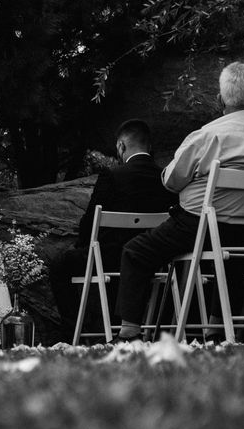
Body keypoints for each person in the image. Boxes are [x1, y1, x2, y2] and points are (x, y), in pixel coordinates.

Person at [114, 62, 244, 342]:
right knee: (235, 262)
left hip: (202, 227)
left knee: (137, 251)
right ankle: (218, 331)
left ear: (220, 100)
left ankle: (129, 333)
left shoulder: (207, 136)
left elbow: (171, 181)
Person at [49, 120, 176, 343]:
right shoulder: (165, 178)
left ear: (121, 147)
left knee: (60, 265)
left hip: (108, 258)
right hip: (152, 259)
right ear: (149, 146)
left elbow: (90, 223)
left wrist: (83, 246)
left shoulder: (112, 176)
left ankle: (70, 334)